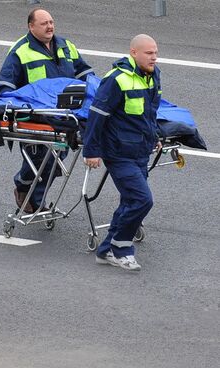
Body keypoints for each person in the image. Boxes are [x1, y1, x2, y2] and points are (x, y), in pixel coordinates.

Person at [0, 8, 94, 213]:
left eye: (51, 22)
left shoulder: (66, 46)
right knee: (40, 159)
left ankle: (33, 198)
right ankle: (25, 190)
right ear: (31, 26)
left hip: (66, 115)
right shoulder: (20, 51)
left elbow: (85, 74)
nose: (50, 26)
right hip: (36, 118)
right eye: (44, 23)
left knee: (57, 159)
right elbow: (4, 89)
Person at [83, 34, 162, 271]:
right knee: (141, 199)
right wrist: (91, 151)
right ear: (134, 53)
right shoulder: (116, 80)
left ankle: (106, 250)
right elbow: (97, 115)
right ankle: (121, 250)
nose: (154, 57)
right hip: (119, 152)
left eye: (156, 52)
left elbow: (149, 112)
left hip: (140, 150)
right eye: (149, 53)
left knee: (130, 200)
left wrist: (155, 135)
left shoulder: (152, 75)